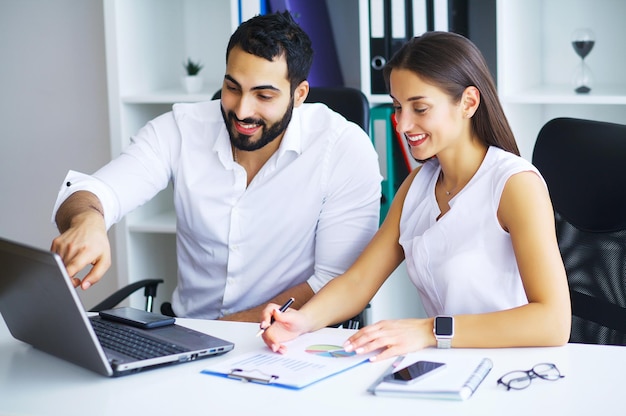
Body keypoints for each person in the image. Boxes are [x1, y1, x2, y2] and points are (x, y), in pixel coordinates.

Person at [50, 11, 382, 321]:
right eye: (232, 88)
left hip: (289, 340)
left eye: (263, 96)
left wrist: (222, 335)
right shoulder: (181, 128)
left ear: (299, 95)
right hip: (188, 337)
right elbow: (94, 191)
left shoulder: (343, 148)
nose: (242, 110)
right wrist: (89, 220)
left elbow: (334, 281)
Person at [260, 31, 571, 361]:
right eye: (397, 106)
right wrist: (302, 320)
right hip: (447, 363)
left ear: (468, 102)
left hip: (515, 368)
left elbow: (553, 322)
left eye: (420, 108)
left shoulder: (514, 185)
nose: (402, 124)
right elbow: (359, 281)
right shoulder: (418, 184)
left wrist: (429, 330)